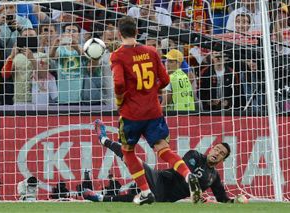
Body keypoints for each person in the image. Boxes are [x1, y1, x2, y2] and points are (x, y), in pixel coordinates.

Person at [109, 16, 199, 205]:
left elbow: (118, 83)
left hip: (131, 114)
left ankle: (146, 191)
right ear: (137, 32)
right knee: (162, 148)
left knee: (128, 151)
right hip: (154, 112)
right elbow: (165, 80)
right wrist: (151, 91)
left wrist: (119, 100)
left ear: (119, 33)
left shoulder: (117, 55)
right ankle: (187, 174)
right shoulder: (151, 51)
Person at [90, 119, 248, 204]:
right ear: (211, 149)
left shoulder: (213, 177)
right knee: (132, 158)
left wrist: (236, 201)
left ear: (223, 159)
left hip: (167, 199)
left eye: (222, 153)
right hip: (161, 180)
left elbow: (222, 199)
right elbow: (184, 169)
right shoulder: (195, 156)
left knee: (139, 198)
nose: (217, 153)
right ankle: (104, 139)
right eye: (217, 149)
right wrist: (197, 193)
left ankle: (100, 198)